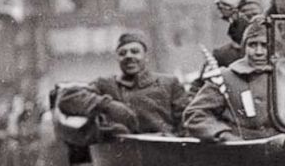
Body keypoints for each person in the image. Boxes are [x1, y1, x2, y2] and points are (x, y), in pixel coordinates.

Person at [183, 16, 285, 141]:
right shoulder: (225, 78)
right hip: (238, 153)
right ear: (244, 47)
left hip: (282, 154)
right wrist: (223, 134)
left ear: (276, 48)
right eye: (252, 45)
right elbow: (195, 115)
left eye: (265, 45)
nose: (258, 52)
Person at [57, 32, 189, 137]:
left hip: (163, 154)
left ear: (146, 56)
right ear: (117, 58)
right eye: (122, 53)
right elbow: (66, 98)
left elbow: (186, 122)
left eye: (135, 51)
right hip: (123, 158)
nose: (128, 56)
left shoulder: (169, 83)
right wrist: (108, 105)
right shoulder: (106, 84)